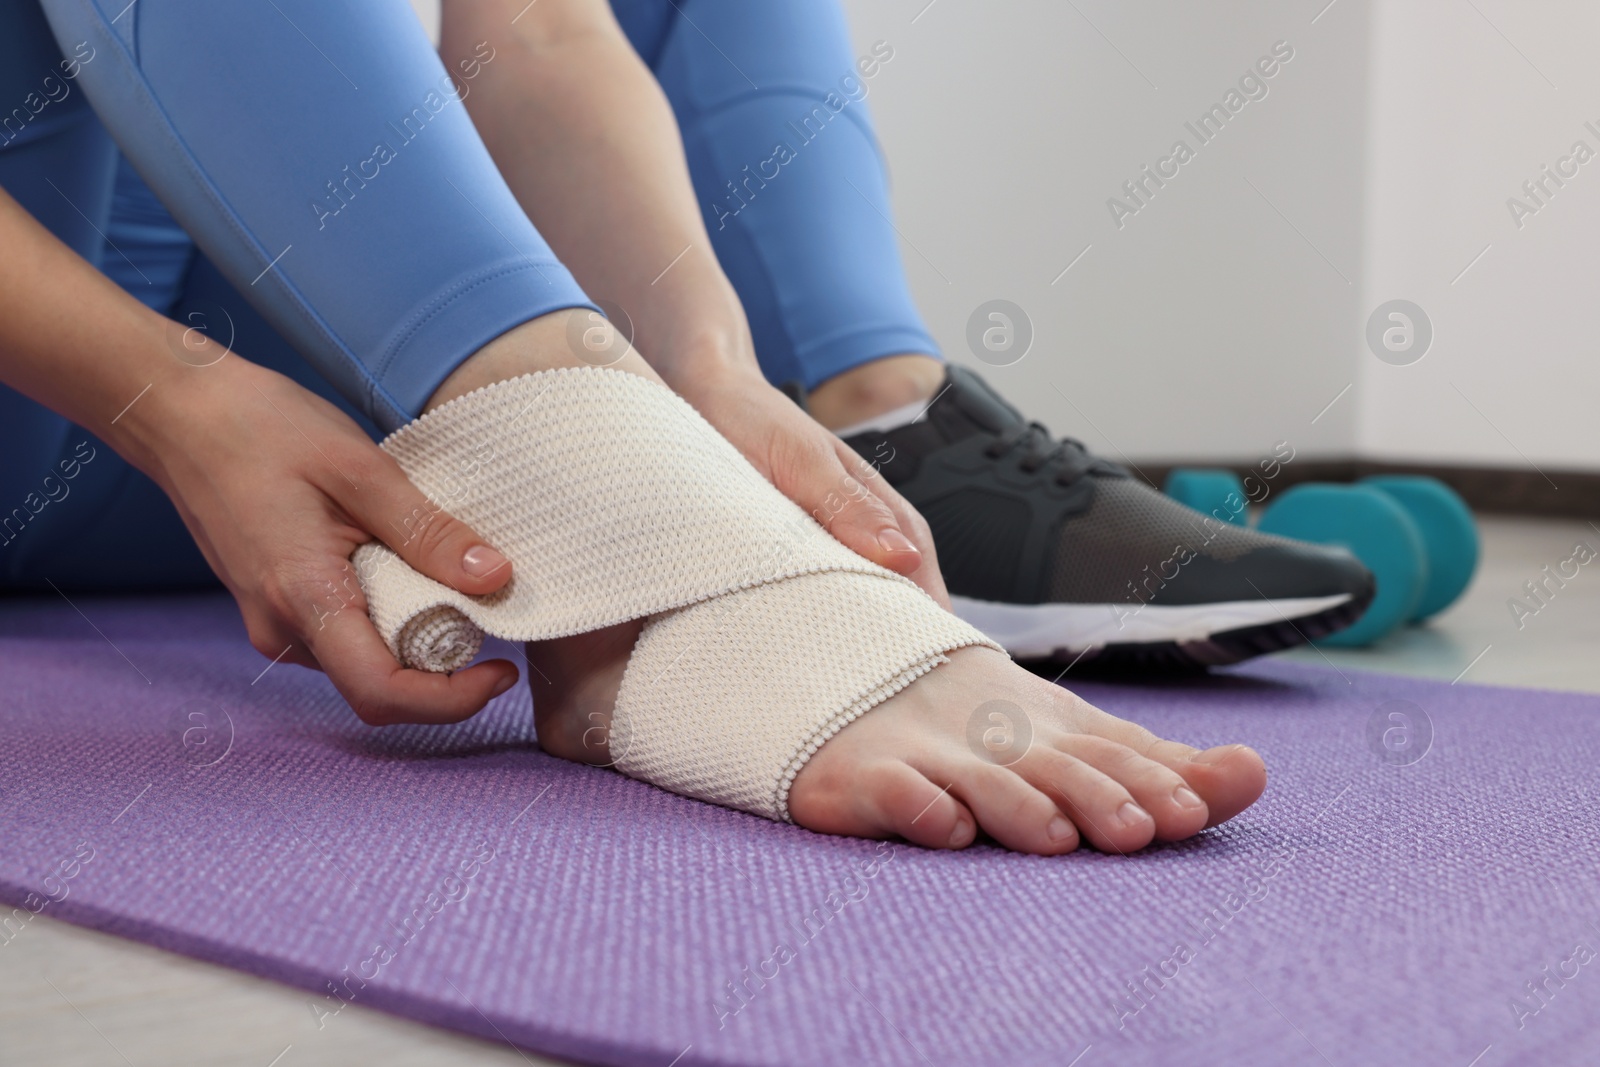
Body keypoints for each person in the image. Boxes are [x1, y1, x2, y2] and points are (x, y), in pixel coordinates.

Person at [0, 0, 1267, 855]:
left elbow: (536, 30)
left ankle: (865, 423)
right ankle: (581, 478)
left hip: (313, 387)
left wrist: (697, 368)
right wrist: (167, 404)